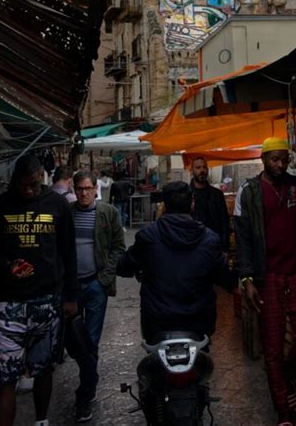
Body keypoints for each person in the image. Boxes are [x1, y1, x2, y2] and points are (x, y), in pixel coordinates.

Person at [233, 137, 296, 426]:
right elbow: (243, 239)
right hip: (267, 276)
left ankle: (283, 381)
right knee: (272, 346)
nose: (280, 164)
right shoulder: (248, 192)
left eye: (284, 159)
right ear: (263, 159)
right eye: (274, 159)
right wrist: (246, 278)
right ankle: (283, 413)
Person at [0, 154, 78, 426]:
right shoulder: (0, 205)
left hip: (48, 301)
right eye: (23, 185)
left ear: (42, 177)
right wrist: (7, 266)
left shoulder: (57, 204)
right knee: (7, 377)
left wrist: (71, 297)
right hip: (8, 304)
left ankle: (41, 421)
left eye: (33, 184)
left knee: (44, 369)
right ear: (14, 182)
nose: (29, 190)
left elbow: (69, 252)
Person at [117, 181, 231, 343]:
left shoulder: (148, 237)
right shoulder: (210, 239)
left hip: (158, 322)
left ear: (164, 205)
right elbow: (224, 276)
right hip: (198, 322)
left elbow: (124, 266)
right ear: (192, 203)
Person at [70, 170, 125, 422]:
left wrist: (103, 280)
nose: (84, 193)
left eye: (88, 188)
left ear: (95, 189)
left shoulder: (107, 213)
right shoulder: (66, 214)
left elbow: (118, 248)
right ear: (74, 190)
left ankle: (85, 393)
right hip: (70, 289)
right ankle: (90, 377)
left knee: (90, 341)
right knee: (72, 342)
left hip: (95, 286)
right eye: (79, 189)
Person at [190, 157, 230, 253]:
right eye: (198, 167)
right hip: (193, 247)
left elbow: (224, 222)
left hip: (214, 246)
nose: (202, 170)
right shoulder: (187, 195)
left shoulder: (217, 195)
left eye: (204, 167)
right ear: (192, 171)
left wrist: (225, 249)